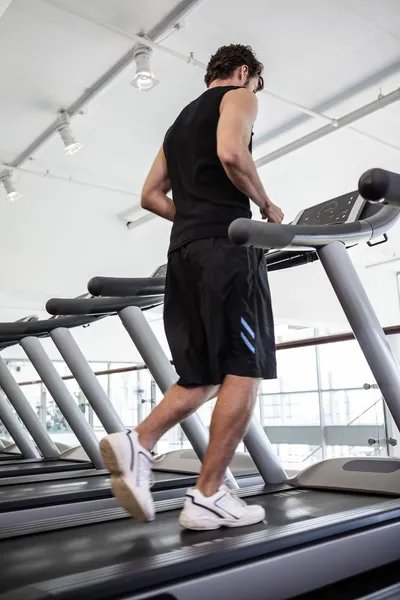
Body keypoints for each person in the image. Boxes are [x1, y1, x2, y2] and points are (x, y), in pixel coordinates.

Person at [100, 44, 284, 531]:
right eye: (253, 83)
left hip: (183, 253)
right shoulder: (240, 96)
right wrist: (267, 205)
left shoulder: (177, 124)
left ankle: (137, 442)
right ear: (244, 72)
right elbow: (231, 151)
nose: (253, 94)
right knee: (246, 368)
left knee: (201, 375)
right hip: (228, 249)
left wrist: (196, 220)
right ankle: (206, 496)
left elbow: (150, 196)